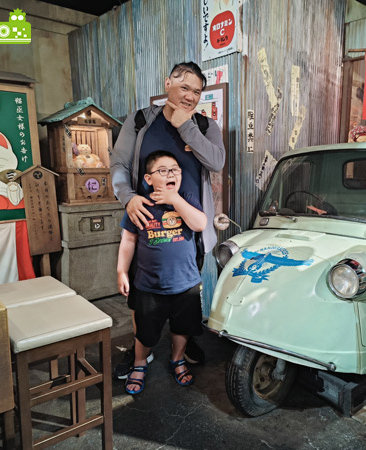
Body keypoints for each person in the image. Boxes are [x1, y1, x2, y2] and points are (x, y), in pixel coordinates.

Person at [110, 61, 226, 379]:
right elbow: (119, 163)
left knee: (185, 297)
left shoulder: (204, 126)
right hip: (146, 222)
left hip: (190, 229)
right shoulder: (139, 120)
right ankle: (142, 355)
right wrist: (127, 197)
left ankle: (181, 348)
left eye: (197, 91)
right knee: (142, 296)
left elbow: (216, 161)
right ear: (168, 84)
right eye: (184, 87)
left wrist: (184, 124)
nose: (189, 96)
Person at [117, 151, 207, 394]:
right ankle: (139, 363)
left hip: (185, 283)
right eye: (163, 170)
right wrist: (122, 272)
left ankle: (177, 359)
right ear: (148, 179)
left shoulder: (187, 199)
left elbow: (199, 224)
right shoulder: (139, 205)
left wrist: (175, 199)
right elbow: (128, 241)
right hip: (149, 285)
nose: (171, 174)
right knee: (145, 331)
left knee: (182, 328)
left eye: (175, 169)